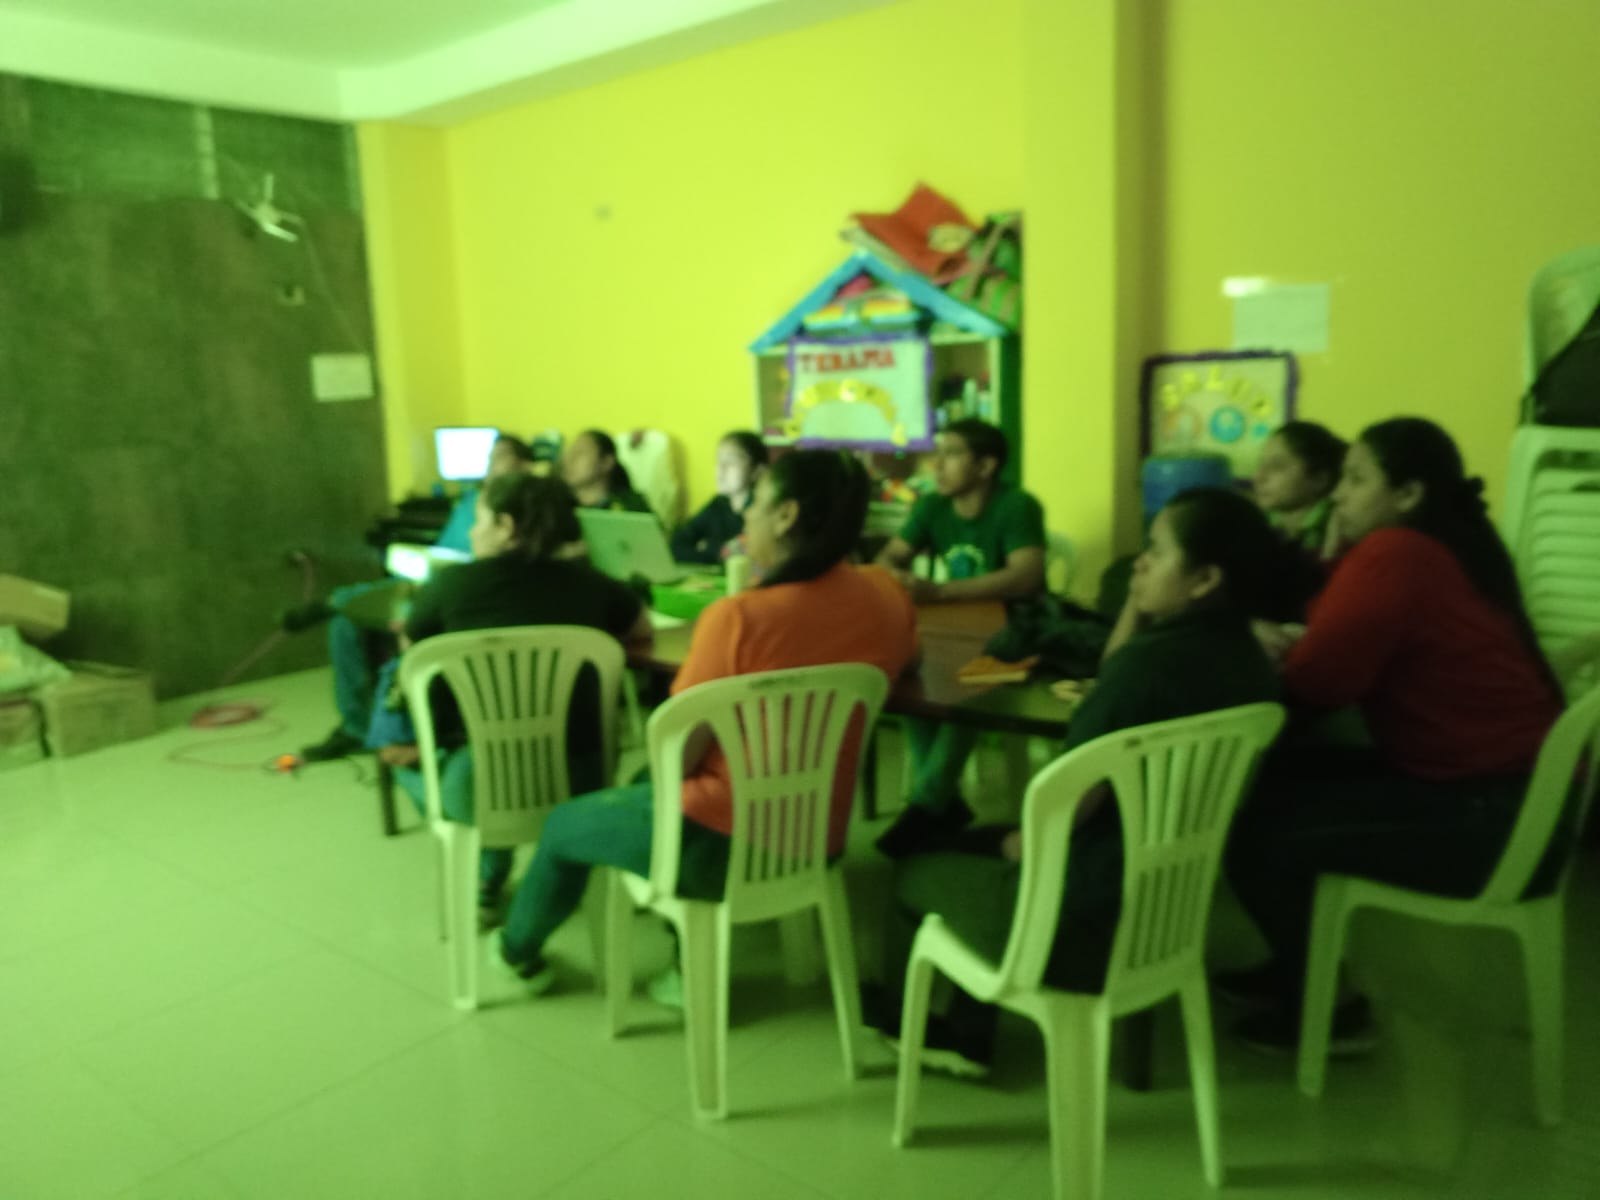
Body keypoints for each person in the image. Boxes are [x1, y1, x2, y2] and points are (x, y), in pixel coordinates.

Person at [865, 487, 1285, 1075]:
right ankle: (967, 1019)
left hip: (1082, 915)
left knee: (918, 864)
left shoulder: (1144, 670)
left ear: (1204, 579)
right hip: (1167, 909)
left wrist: (1023, 846)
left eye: (1156, 552)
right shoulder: (1249, 662)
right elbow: (1120, 673)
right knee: (980, 840)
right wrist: (1139, 604)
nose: (1138, 564)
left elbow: (1070, 797)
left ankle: (957, 1035)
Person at [495, 450, 920, 992]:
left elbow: (678, 756)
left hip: (721, 842)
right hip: (820, 831)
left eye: (756, 503)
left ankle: (516, 955)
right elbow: (908, 660)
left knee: (562, 825)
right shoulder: (886, 594)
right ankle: (682, 947)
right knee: (641, 784)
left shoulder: (739, 618)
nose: (744, 515)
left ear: (786, 515)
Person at [1224, 417, 1564, 1053]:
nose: (1340, 494)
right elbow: (1339, 640)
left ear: (1407, 495)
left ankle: (1334, 1011)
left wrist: (1268, 645)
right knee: (1280, 780)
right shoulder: (1449, 545)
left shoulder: (1398, 553)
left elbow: (1321, 681)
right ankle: (1300, 967)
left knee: (1255, 829)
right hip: (1513, 798)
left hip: (1488, 816)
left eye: (1356, 479)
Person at [379, 471, 652, 923]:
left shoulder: (449, 587)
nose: (471, 531)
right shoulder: (592, 585)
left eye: (479, 519)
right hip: (581, 781)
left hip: (479, 786)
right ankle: (530, 878)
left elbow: (413, 657)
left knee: (410, 761)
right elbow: (641, 630)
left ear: (506, 527)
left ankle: (488, 873)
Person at [299, 434, 535, 762]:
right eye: (490, 458)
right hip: (438, 576)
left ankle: (331, 606)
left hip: (460, 587)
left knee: (374, 616)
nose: (492, 465)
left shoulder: (526, 508)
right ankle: (355, 725)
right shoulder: (471, 500)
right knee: (345, 621)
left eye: (502, 457)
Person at [872, 418, 1047, 856]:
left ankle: (929, 803)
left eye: (951, 454)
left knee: (970, 686)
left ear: (985, 466)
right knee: (910, 673)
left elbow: (1026, 576)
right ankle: (940, 802)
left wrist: (940, 592)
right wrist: (897, 575)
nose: (937, 465)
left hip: (1015, 634)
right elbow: (888, 558)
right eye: (938, 453)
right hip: (954, 628)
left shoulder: (1017, 506)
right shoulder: (932, 506)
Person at [670, 431, 768, 564]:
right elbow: (677, 544)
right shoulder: (718, 505)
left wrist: (709, 552)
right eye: (718, 461)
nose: (721, 469)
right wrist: (714, 557)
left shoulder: (762, 512)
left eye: (731, 462)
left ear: (757, 471)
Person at [1252, 420, 1346, 556]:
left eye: (1277, 466)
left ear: (1319, 480)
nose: (1259, 477)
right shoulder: (1260, 522)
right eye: (1261, 464)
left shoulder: (1337, 527)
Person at [562, 429, 653, 513]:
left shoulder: (632, 510)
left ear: (606, 463)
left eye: (580, 453)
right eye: (570, 452)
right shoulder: (559, 506)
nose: (570, 460)